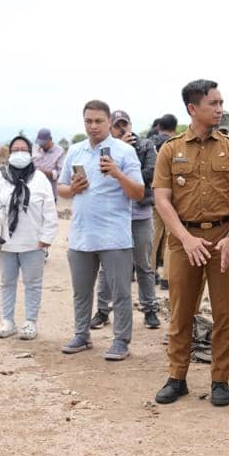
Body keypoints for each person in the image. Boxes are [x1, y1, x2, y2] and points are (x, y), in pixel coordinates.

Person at [152, 80, 229, 407]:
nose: (220, 109)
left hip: (224, 239)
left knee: (226, 313)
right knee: (181, 312)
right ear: (193, 109)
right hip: (184, 241)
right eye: (214, 103)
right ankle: (177, 377)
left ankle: (220, 380)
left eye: (221, 102)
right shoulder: (171, 150)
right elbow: (162, 199)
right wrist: (185, 238)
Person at [58, 100, 145, 360]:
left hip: (114, 236)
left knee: (120, 292)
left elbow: (138, 193)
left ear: (109, 122)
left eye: (98, 121)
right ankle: (81, 335)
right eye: (88, 121)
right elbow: (61, 189)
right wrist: (73, 188)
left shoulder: (125, 152)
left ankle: (121, 341)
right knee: (81, 291)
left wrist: (118, 174)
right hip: (81, 235)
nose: (93, 126)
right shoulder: (75, 151)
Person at [0, 136, 59, 339]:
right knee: (7, 283)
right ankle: (8, 321)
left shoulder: (40, 179)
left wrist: (47, 237)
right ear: (9, 153)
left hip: (33, 243)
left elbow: (50, 209)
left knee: (33, 284)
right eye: (15, 150)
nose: (19, 153)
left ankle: (30, 322)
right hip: (6, 242)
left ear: (31, 153)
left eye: (24, 149)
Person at [90, 110, 160, 330]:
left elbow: (150, 174)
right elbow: (99, 178)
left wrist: (127, 154)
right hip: (113, 216)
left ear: (130, 125)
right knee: (106, 267)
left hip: (140, 216)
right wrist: (120, 150)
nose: (122, 129)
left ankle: (150, 310)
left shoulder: (146, 146)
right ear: (110, 128)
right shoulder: (104, 149)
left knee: (144, 265)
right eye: (117, 126)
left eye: (125, 125)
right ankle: (103, 310)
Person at [150, 113, 178, 289]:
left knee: (153, 236)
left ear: (159, 127)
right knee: (171, 236)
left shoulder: (149, 143)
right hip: (171, 197)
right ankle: (167, 278)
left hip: (152, 196)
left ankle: (150, 273)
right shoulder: (175, 144)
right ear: (175, 128)